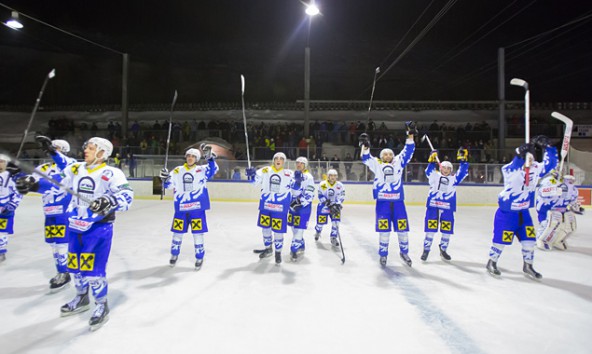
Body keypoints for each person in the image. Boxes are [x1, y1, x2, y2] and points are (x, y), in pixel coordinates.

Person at [16, 137, 134, 331]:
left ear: (102, 152)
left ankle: (101, 305)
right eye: (86, 146)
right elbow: (57, 185)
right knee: (75, 267)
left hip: (98, 229)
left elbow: (127, 196)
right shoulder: (76, 169)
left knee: (94, 272)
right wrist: (34, 186)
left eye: (90, 147)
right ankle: (81, 297)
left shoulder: (112, 173)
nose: (85, 149)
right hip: (75, 227)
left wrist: (108, 201)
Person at [486, 136, 557, 280]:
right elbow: (513, 165)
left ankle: (528, 265)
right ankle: (491, 262)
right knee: (501, 240)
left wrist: (549, 148)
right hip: (507, 214)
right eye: (526, 158)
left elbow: (551, 164)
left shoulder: (536, 168)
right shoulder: (509, 169)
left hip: (524, 213)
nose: (530, 161)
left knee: (529, 240)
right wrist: (519, 153)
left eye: (531, 158)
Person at [359, 121, 416, 267]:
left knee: (402, 229)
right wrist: (365, 145)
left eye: (390, 153)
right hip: (383, 203)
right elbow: (365, 158)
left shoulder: (399, 162)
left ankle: (404, 252)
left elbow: (408, 150)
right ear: (381, 156)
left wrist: (410, 134)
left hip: (398, 203)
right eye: (385, 153)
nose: (388, 155)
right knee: (384, 231)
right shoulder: (377, 164)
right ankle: (383, 255)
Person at [28, 137, 77, 291]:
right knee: (54, 244)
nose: (51, 150)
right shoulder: (43, 168)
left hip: (65, 211)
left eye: (55, 148)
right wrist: (22, 181)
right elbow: (33, 181)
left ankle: (65, 272)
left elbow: (60, 181)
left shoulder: (71, 165)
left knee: (62, 243)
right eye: (50, 148)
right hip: (49, 211)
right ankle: (62, 271)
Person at [159, 145, 218, 270]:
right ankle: (174, 255)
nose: (190, 158)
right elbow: (168, 185)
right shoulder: (177, 170)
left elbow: (213, 170)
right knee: (177, 233)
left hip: (197, 209)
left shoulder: (201, 170)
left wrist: (210, 158)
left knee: (198, 233)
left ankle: (199, 256)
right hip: (181, 209)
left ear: (197, 159)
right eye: (188, 156)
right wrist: (163, 179)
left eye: (193, 156)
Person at [246, 152, 297, 265]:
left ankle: (278, 253)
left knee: (278, 231)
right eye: (276, 158)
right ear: (273, 160)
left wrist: (298, 182)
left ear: (284, 161)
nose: (278, 160)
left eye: (281, 159)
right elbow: (254, 183)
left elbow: (296, 190)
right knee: (265, 229)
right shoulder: (265, 170)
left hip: (280, 208)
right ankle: (268, 248)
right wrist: (251, 175)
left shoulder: (289, 173)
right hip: (266, 206)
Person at [420, 148, 469, 262]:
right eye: (444, 167)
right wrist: (432, 161)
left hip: (447, 209)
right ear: (440, 167)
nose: (446, 170)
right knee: (430, 230)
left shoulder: (454, 179)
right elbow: (428, 171)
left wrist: (463, 161)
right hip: (433, 207)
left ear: (451, 170)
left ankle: (443, 249)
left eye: (449, 168)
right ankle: (426, 250)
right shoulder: (435, 176)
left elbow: (462, 172)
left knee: (446, 231)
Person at [535, 173, 583, 251]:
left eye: (572, 181)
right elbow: (541, 192)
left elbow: (572, 202)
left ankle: (558, 240)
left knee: (571, 226)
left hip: (562, 210)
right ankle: (541, 239)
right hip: (547, 208)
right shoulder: (553, 184)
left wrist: (576, 207)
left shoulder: (574, 191)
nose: (571, 183)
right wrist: (553, 190)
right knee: (549, 224)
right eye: (569, 181)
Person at [287, 157, 315, 261]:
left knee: (300, 228)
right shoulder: (292, 176)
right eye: (297, 162)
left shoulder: (308, 177)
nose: (299, 164)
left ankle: (294, 249)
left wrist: (300, 202)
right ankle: (301, 243)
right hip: (292, 206)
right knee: (293, 227)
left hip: (303, 207)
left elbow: (310, 192)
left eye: (301, 163)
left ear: (305, 165)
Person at [0, 154, 23, 263]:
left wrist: (12, 204)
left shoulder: (12, 177)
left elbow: (18, 192)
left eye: (2, 161)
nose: (0, 164)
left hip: (5, 209)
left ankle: (1, 251)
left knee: (2, 231)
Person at [313, 169, 345, 247]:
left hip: (335, 206)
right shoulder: (323, 184)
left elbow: (342, 196)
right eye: (331, 176)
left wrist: (337, 204)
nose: (333, 177)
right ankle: (318, 231)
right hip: (324, 206)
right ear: (328, 176)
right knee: (320, 222)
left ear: (336, 176)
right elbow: (320, 195)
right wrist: (327, 203)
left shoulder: (340, 185)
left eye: (334, 176)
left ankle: (333, 237)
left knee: (336, 222)